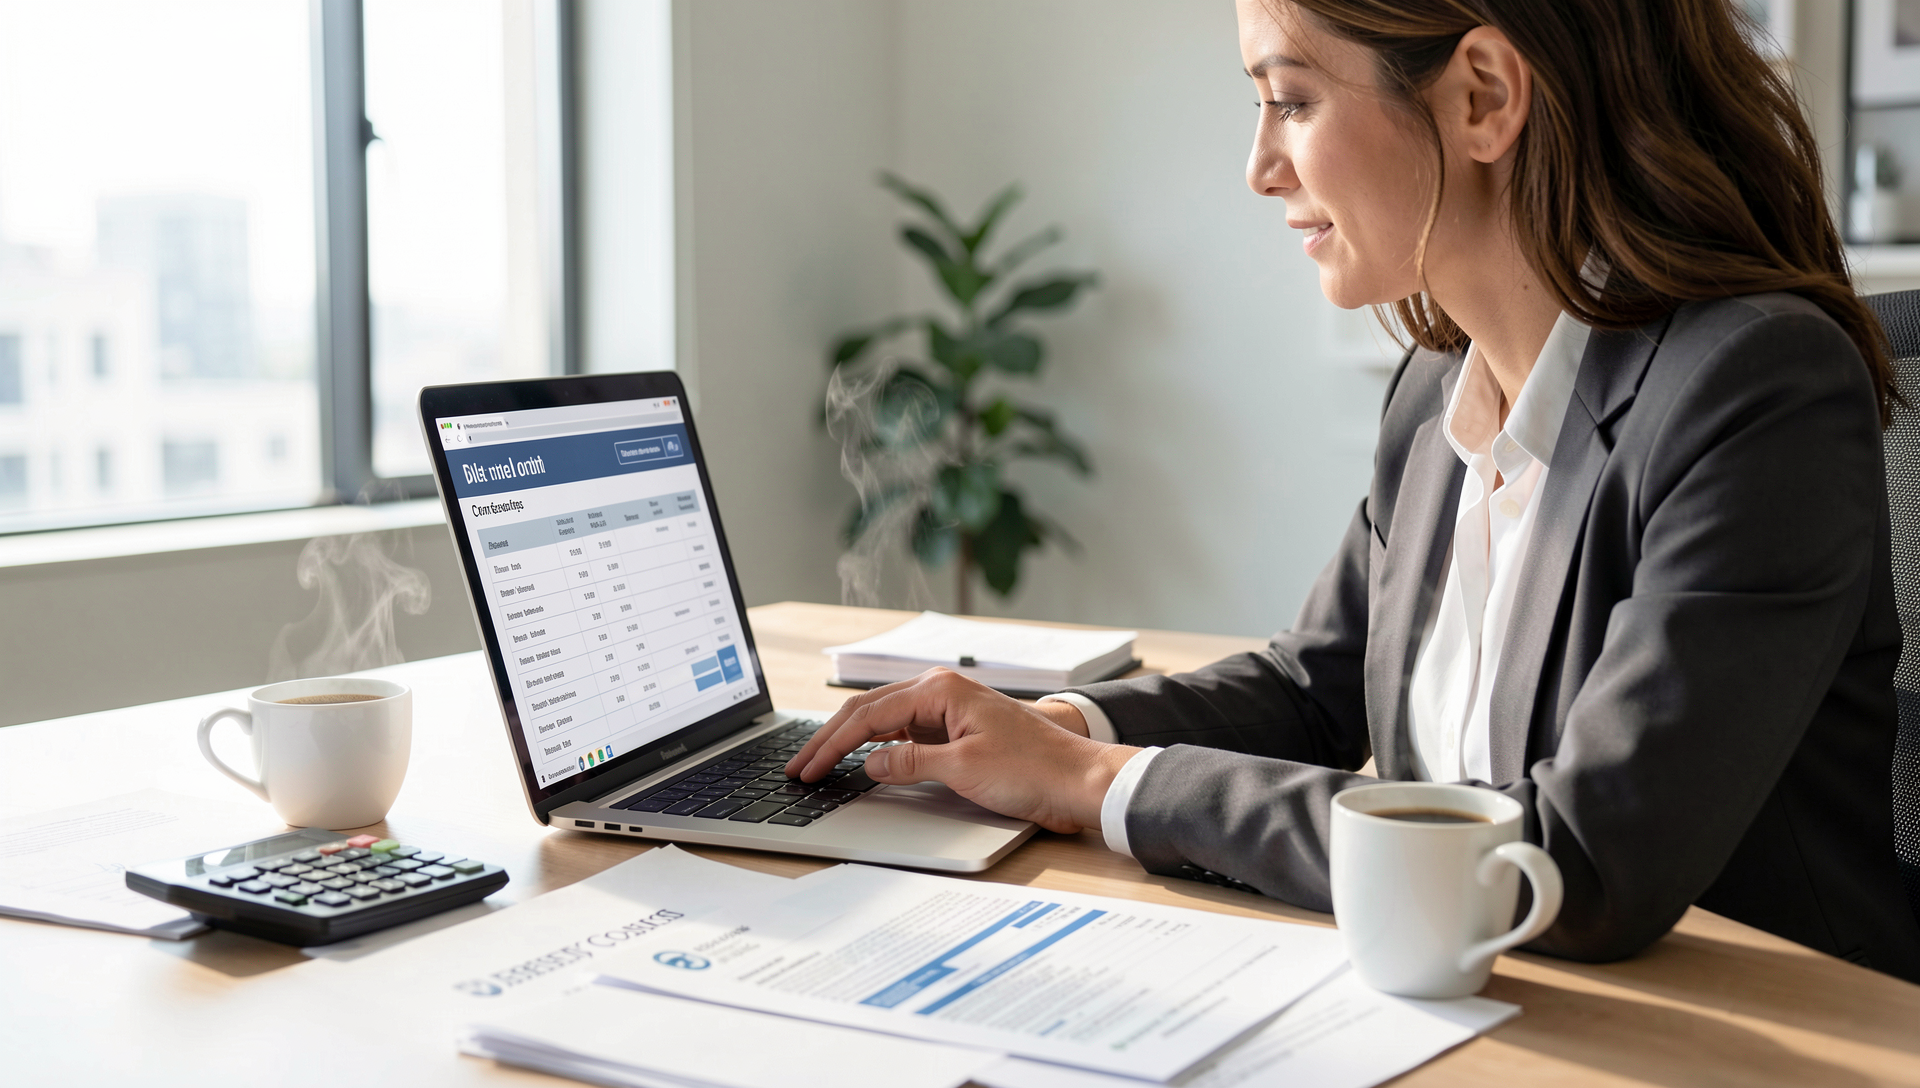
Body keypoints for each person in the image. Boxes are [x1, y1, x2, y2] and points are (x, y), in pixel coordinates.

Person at [788, 0, 1920, 980]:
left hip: (1751, 1040)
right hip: (1480, 1007)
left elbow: (1577, 860)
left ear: (1482, 96)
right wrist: (1050, 729)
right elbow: (1313, 686)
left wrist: (1099, 780)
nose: (1258, 166)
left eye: (1290, 101)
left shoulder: (1755, 388)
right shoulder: (1438, 383)